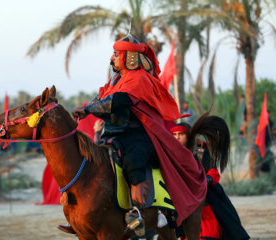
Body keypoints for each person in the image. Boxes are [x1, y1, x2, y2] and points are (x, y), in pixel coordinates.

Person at [68, 35, 206, 236]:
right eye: (113, 54)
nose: (112, 59)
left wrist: (88, 109)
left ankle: (137, 210)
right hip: (112, 136)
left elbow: (118, 101)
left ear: (128, 57)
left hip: (139, 136)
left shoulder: (140, 78)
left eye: (116, 54)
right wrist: (87, 106)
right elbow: (101, 96)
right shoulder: (116, 79)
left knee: (133, 159)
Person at [170, 122, 249, 240]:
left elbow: (214, 172)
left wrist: (206, 179)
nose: (176, 137)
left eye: (181, 134)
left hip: (206, 197)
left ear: (189, 135)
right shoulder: (169, 154)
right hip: (181, 200)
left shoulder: (202, 152)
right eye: (174, 134)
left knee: (213, 231)